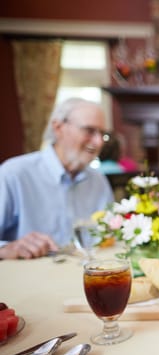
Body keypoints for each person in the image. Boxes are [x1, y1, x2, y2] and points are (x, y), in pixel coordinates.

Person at [0, 98, 114, 260]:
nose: (98, 142)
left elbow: (108, 239)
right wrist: (6, 248)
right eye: (89, 130)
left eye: (103, 134)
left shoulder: (98, 181)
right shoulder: (14, 174)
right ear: (58, 127)